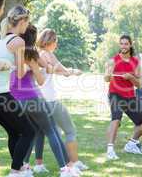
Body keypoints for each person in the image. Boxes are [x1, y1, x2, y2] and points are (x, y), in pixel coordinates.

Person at [0, 5, 80, 177]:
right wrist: (39, 68)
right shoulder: (31, 53)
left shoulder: (10, 46)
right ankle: (65, 169)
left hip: (14, 96)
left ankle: (24, 167)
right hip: (31, 96)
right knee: (50, 129)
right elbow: (42, 77)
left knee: (29, 131)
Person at [26, 28, 88, 174]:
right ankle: (73, 162)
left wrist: (68, 72)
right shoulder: (48, 54)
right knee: (70, 130)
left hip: (39, 100)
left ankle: (36, 164)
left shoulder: (38, 54)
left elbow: (55, 70)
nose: (56, 45)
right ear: (50, 42)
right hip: (51, 100)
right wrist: (74, 72)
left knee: (40, 132)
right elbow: (63, 70)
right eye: (56, 42)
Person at [0, 23, 37, 177]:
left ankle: (20, 168)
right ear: (22, 22)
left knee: (14, 132)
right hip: (1, 94)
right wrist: (31, 68)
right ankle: (15, 171)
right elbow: (20, 73)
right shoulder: (18, 41)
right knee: (29, 131)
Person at [105, 35, 142, 160]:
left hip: (130, 96)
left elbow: (139, 84)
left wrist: (131, 77)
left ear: (130, 45)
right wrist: (108, 74)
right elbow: (106, 79)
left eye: (126, 44)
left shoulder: (136, 62)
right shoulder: (113, 60)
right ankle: (110, 150)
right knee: (116, 118)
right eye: (121, 44)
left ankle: (132, 144)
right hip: (115, 93)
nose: (123, 46)